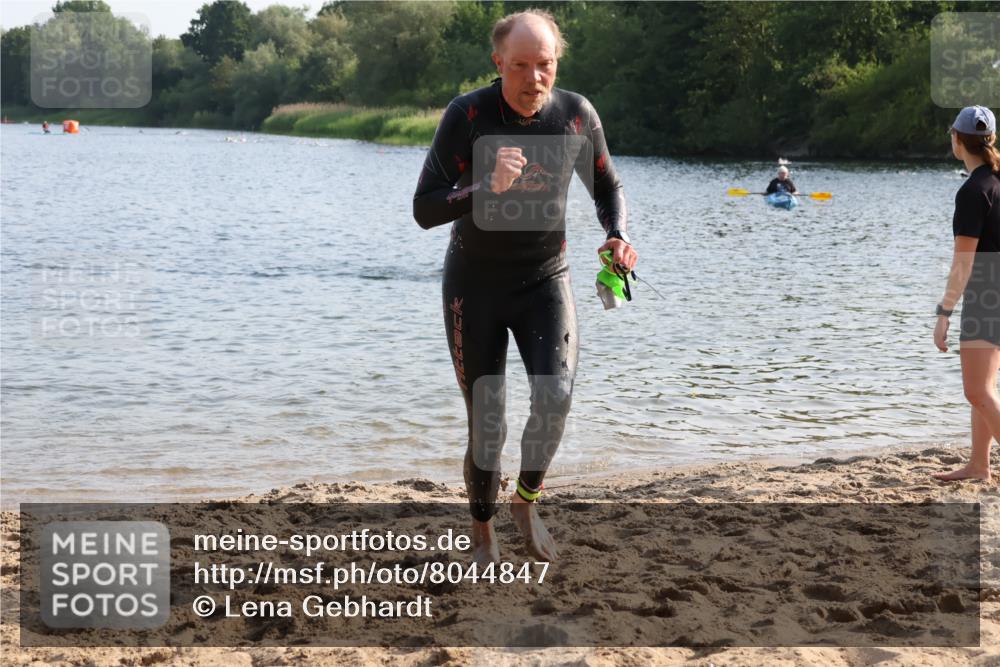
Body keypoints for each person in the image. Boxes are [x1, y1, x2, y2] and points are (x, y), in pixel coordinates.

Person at [412, 9, 636, 564]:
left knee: (555, 397)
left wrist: (617, 235)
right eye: (521, 66)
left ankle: (526, 500)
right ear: (498, 63)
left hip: (545, 280)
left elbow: (607, 185)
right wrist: (485, 187)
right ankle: (483, 531)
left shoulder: (575, 116)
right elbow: (424, 208)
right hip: (475, 284)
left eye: (545, 65)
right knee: (488, 422)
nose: (534, 78)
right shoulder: (468, 114)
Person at [932, 105, 1000, 482]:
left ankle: (981, 464)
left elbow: (963, 263)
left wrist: (943, 312)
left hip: (988, 291)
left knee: (976, 391)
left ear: (958, 141)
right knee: (985, 388)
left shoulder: (973, 191)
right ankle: (979, 465)